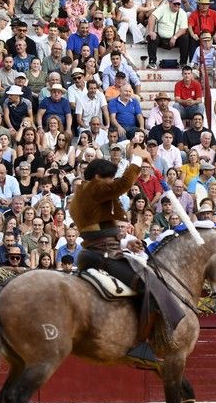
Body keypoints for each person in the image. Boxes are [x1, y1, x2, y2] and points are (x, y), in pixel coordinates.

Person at [70, 147, 184, 369]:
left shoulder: (85, 194)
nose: (111, 182)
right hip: (103, 255)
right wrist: (137, 159)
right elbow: (123, 185)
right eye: (108, 178)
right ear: (96, 178)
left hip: (99, 250)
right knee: (147, 285)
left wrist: (124, 242)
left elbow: (97, 230)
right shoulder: (94, 188)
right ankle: (139, 344)